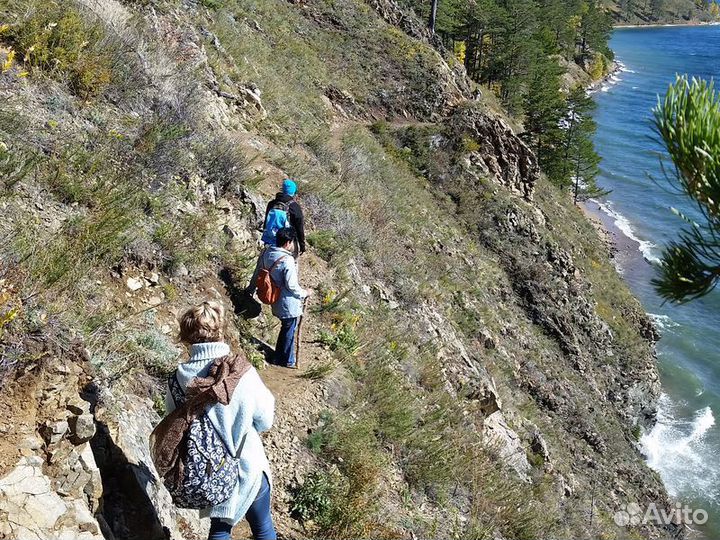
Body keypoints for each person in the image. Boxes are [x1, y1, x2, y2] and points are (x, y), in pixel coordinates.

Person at [165, 301, 277, 540]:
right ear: (220, 331)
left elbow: (173, 426)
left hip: (212, 474)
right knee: (263, 527)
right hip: (249, 465)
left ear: (186, 337)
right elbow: (266, 419)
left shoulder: (177, 380)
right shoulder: (240, 371)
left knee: (220, 530)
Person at [248, 228, 312, 367]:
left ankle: (279, 357)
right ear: (288, 243)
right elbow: (292, 286)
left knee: (286, 328)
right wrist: (305, 293)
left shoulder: (266, 253)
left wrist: (250, 290)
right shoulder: (287, 260)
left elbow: (256, 274)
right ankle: (286, 360)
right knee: (289, 329)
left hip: (274, 299)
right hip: (288, 302)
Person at [262, 178, 306, 257]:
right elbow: (299, 228)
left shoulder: (271, 204)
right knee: (291, 263)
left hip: (270, 240)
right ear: (293, 192)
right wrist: (302, 245)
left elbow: (266, 222)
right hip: (286, 243)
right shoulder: (295, 207)